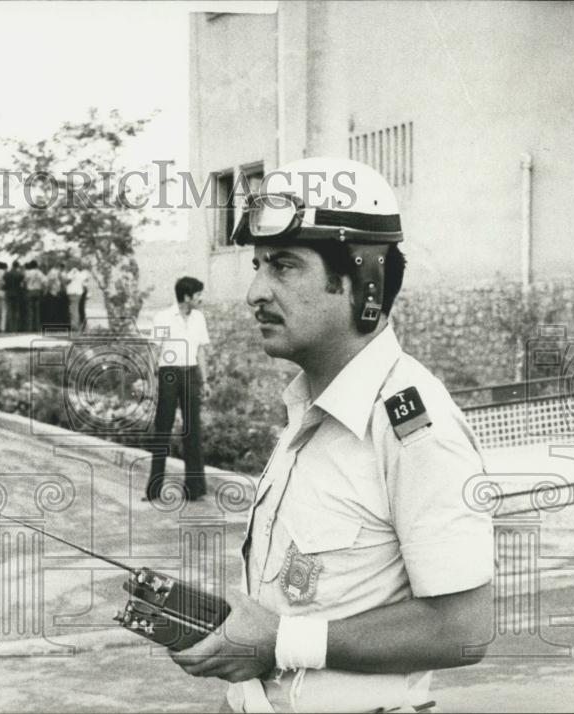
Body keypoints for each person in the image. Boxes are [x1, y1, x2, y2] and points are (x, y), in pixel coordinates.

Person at [167, 158, 493, 713]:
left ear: (363, 282)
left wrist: (279, 641)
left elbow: (463, 629)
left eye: (285, 266)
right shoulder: (309, 408)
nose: (254, 292)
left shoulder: (413, 426)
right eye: (258, 265)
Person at [144, 276, 211, 503]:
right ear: (186, 296)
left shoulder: (199, 318)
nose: (201, 298)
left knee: (193, 431)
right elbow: (154, 350)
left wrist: (205, 380)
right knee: (163, 429)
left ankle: (195, 488)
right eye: (198, 295)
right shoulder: (163, 317)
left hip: (191, 373)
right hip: (169, 374)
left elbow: (200, 351)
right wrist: (149, 380)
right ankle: (154, 489)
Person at [23, 260, 45, 333]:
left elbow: (24, 282)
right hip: (38, 291)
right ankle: (37, 327)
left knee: (30, 310)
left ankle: (30, 327)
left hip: (30, 291)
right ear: (36, 265)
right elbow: (44, 281)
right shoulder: (39, 273)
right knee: (37, 310)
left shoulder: (28, 273)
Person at [4, 260, 25, 332]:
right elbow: (22, 282)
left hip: (9, 293)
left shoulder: (6, 274)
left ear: (12, 265)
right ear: (17, 266)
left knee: (10, 310)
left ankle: (10, 327)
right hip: (17, 293)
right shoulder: (20, 274)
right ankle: (16, 327)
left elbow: (5, 282)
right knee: (16, 310)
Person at [65, 266, 89, 332]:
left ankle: (75, 326)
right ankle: (80, 326)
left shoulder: (71, 274)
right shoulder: (81, 275)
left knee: (73, 310)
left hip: (73, 294)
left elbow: (67, 281)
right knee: (77, 310)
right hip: (79, 294)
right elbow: (85, 285)